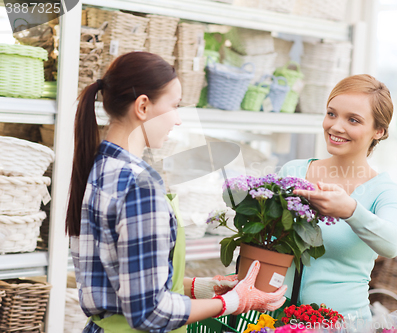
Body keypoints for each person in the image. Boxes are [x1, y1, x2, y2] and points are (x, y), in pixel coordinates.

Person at [66, 52, 287, 333]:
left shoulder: (100, 167)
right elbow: (150, 312)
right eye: (174, 106)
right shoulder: (139, 186)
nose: (178, 120)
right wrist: (233, 301)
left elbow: (126, 280)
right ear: (143, 106)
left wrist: (202, 287)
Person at [278, 74, 397, 321]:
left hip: (341, 323)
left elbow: (391, 245)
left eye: (353, 120)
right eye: (331, 113)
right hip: (278, 318)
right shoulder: (294, 172)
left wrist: (350, 210)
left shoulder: (384, 191)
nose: (336, 126)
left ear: (379, 131)